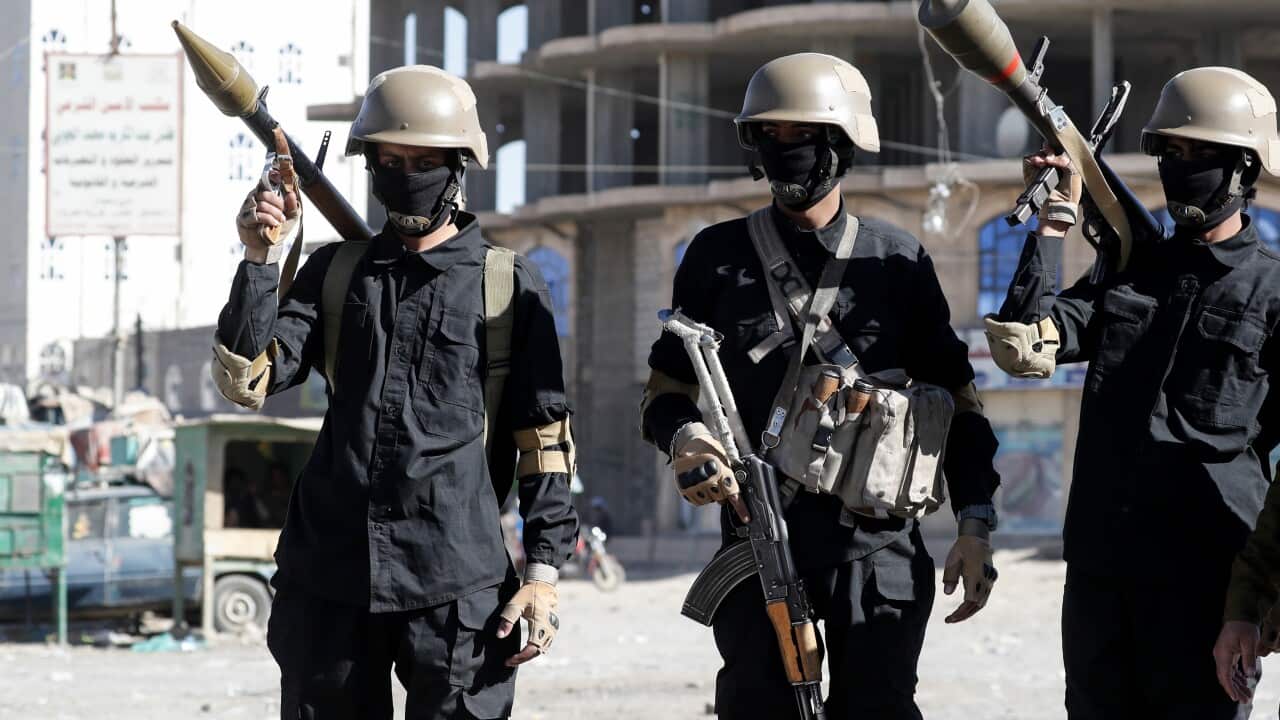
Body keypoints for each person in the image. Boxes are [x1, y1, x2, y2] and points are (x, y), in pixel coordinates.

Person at [210, 64, 579, 720]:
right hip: (330, 579)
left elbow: (544, 439)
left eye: (424, 160)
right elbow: (248, 381)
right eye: (389, 159)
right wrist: (260, 258)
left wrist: (544, 577)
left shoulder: (507, 286)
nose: (405, 172)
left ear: (459, 165)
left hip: (457, 588)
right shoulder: (334, 273)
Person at [640, 52, 1002, 719]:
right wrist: (686, 439)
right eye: (769, 137)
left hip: (878, 546)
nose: (785, 153)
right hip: (757, 536)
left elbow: (958, 400)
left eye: (800, 137)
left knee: (879, 708)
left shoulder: (897, 261)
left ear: (839, 145)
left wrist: (976, 522)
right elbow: (665, 386)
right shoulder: (716, 257)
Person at [986, 66, 1280, 719]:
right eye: (1171, 152)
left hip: (1205, 588)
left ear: (1245, 168)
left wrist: (1255, 604)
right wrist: (1051, 229)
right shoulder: (1130, 268)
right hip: (1101, 578)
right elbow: (1027, 349)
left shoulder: (1273, 293)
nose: (1181, 166)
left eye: (1200, 154)